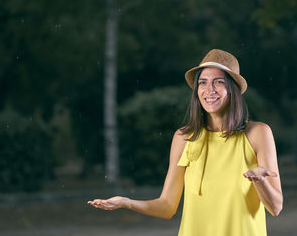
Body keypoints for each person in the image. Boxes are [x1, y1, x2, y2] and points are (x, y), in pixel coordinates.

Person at [88, 49, 283, 236]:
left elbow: (275, 208)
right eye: (203, 83)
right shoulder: (184, 137)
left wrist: (260, 181)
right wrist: (127, 202)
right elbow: (167, 206)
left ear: (232, 89)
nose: (209, 90)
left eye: (218, 82)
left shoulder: (258, 133)